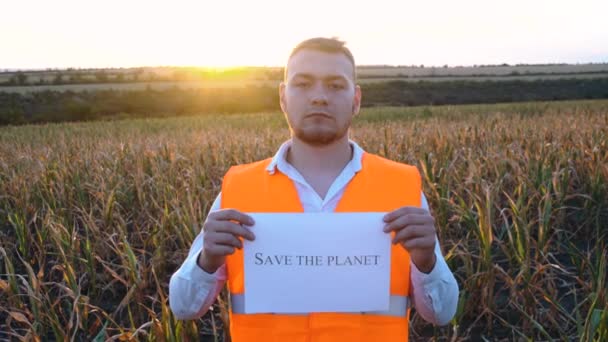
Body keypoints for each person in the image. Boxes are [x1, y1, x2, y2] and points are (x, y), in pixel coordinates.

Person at [169, 37, 459, 341]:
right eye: (303, 84)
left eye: (335, 85)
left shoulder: (401, 188)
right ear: (283, 97)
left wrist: (427, 261)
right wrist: (207, 261)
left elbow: (441, 314)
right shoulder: (239, 190)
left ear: (356, 100)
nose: (319, 97)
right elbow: (184, 307)